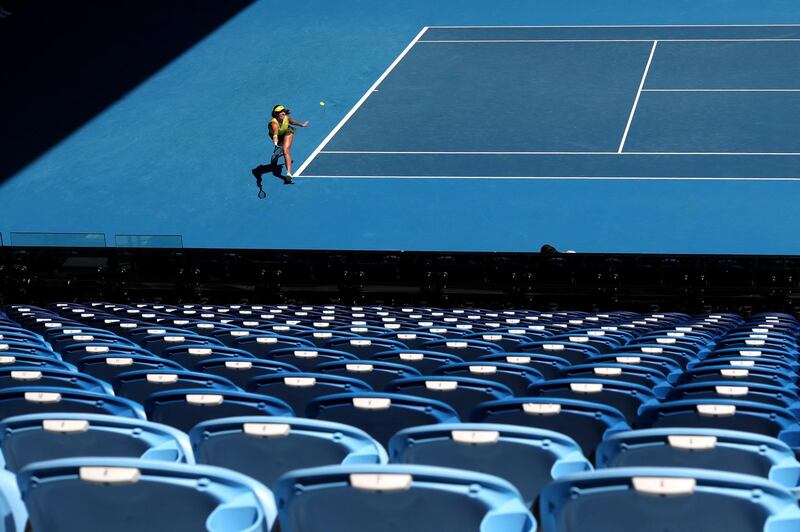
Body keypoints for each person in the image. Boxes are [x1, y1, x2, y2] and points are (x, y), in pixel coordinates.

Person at [269, 105, 309, 183]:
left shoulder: (286, 117)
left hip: (287, 131)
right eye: (281, 112)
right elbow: (275, 132)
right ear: (276, 114)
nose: (283, 113)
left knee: (286, 150)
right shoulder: (274, 123)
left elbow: (292, 122)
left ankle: (289, 174)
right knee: (279, 150)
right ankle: (278, 149)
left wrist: (302, 125)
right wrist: (275, 138)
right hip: (277, 136)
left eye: (284, 111)